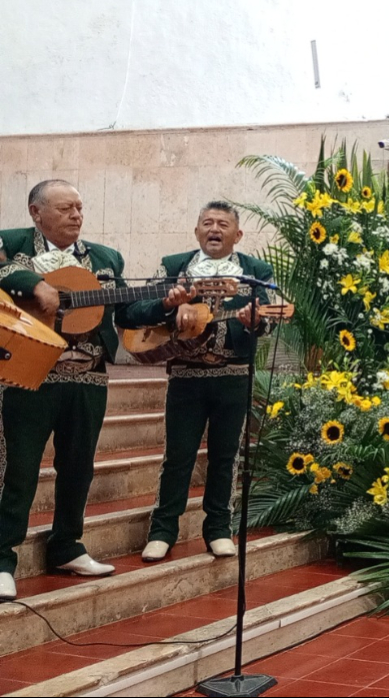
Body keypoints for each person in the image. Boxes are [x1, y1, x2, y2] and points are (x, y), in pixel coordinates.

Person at [0, 180, 151, 600]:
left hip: (88, 378)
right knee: (19, 469)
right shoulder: (10, 243)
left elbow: (130, 309)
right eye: (66, 208)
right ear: (36, 212)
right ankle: (1, 558)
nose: (76, 216)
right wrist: (33, 284)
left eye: (80, 208)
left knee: (78, 468)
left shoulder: (104, 258)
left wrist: (166, 303)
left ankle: (67, 545)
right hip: (27, 376)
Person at [121, 202, 275, 563]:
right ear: (196, 232)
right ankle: (162, 531)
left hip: (233, 377)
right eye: (207, 223)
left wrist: (256, 322)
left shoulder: (254, 271)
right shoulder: (175, 266)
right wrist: (168, 306)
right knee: (178, 456)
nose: (214, 229)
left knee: (225, 457)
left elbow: (268, 319)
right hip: (186, 377)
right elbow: (134, 312)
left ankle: (219, 529)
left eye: (223, 224)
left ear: (237, 235)